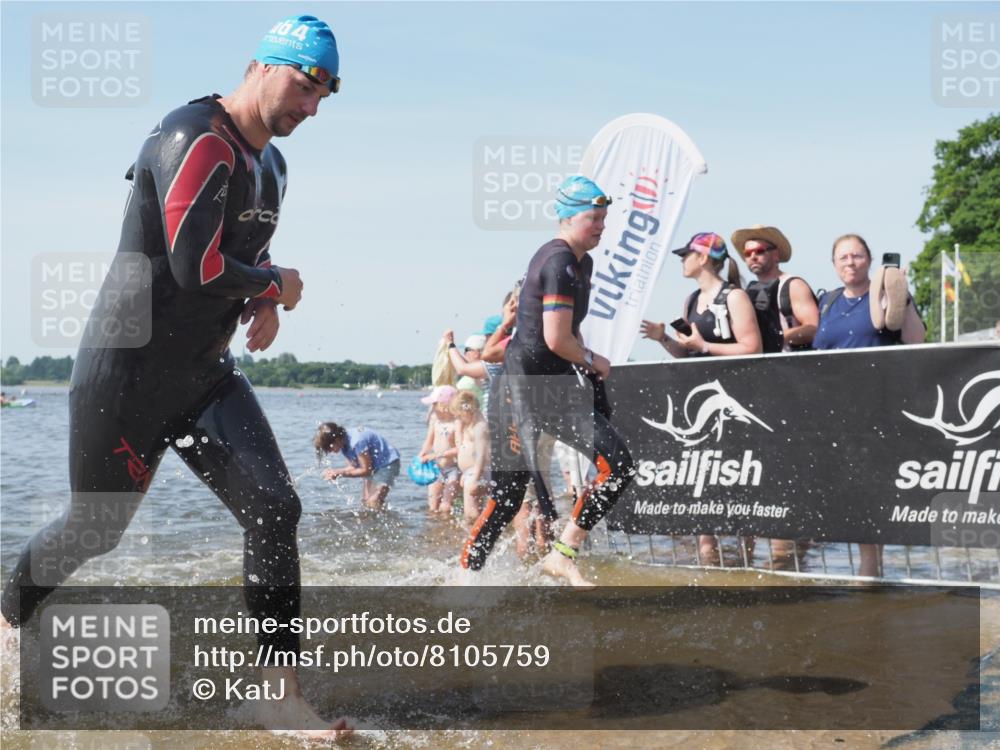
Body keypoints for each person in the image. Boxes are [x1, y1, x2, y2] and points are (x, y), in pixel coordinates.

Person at [0, 15, 350, 738]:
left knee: (275, 507)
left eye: (324, 96)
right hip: (123, 376)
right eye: (304, 85)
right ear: (261, 65)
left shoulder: (273, 167)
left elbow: (235, 259)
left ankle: (275, 691)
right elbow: (198, 267)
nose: (310, 107)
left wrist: (264, 298)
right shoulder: (194, 137)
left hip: (203, 376)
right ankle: (7, 615)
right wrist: (278, 280)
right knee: (95, 530)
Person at [461, 175, 636, 588]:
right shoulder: (557, 261)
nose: (601, 226)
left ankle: (562, 554)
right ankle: (466, 577)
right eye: (593, 218)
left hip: (554, 389)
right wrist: (594, 361)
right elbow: (557, 339)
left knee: (618, 466)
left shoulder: (582, 263)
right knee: (507, 498)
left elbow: (558, 335)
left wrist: (585, 366)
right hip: (521, 392)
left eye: (604, 218)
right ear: (567, 218)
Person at [640, 232, 762, 566]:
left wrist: (705, 347)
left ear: (704, 257)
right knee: (702, 482)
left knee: (737, 483)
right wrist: (663, 337)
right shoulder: (692, 299)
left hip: (734, 401)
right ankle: (708, 560)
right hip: (700, 402)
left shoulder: (734, 296)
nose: (682, 260)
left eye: (687, 254)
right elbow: (686, 353)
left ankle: (747, 562)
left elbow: (753, 348)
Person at [813, 234, 926, 577]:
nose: (850, 262)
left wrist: (901, 295)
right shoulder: (827, 302)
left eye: (857, 256)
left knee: (871, 488)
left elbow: (916, 339)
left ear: (870, 260)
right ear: (834, 264)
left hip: (877, 407)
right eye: (843, 257)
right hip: (834, 409)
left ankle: (870, 569)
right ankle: (859, 565)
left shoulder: (888, 295)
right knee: (847, 489)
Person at [731, 224, 819, 352]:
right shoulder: (747, 293)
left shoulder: (793, 285)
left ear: (776, 255)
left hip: (794, 366)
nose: (753, 257)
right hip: (761, 367)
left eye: (760, 251)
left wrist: (777, 337)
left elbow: (814, 328)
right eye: (747, 253)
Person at [315, 422, 401, 510]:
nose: (329, 451)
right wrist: (336, 472)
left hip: (387, 463)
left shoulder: (356, 442)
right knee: (365, 502)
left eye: (329, 448)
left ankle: (384, 520)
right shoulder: (344, 443)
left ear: (336, 440)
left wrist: (339, 472)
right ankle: (382, 518)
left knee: (373, 501)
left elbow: (366, 470)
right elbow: (354, 467)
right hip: (374, 466)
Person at [418, 385, 461, 513]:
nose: (432, 408)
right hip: (436, 469)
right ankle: (434, 531)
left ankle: (448, 529)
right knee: (432, 506)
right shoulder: (435, 421)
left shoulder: (457, 423)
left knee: (445, 507)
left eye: (434, 404)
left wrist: (436, 455)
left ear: (445, 406)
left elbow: (460, 448)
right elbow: (429, 441)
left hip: (454, 469)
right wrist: (422, 453)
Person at [450, 390, 491, 526]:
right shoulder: (473, 425)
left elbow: (481, 455)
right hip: (472, 472)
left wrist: (475, 477)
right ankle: (477, 533)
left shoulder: (480, 427)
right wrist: (466, 473)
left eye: (459, 416)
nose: (459, 420)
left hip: (478, 472)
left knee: (471, 513)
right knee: (474, 509)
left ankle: (476, 534)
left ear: (467, 411)